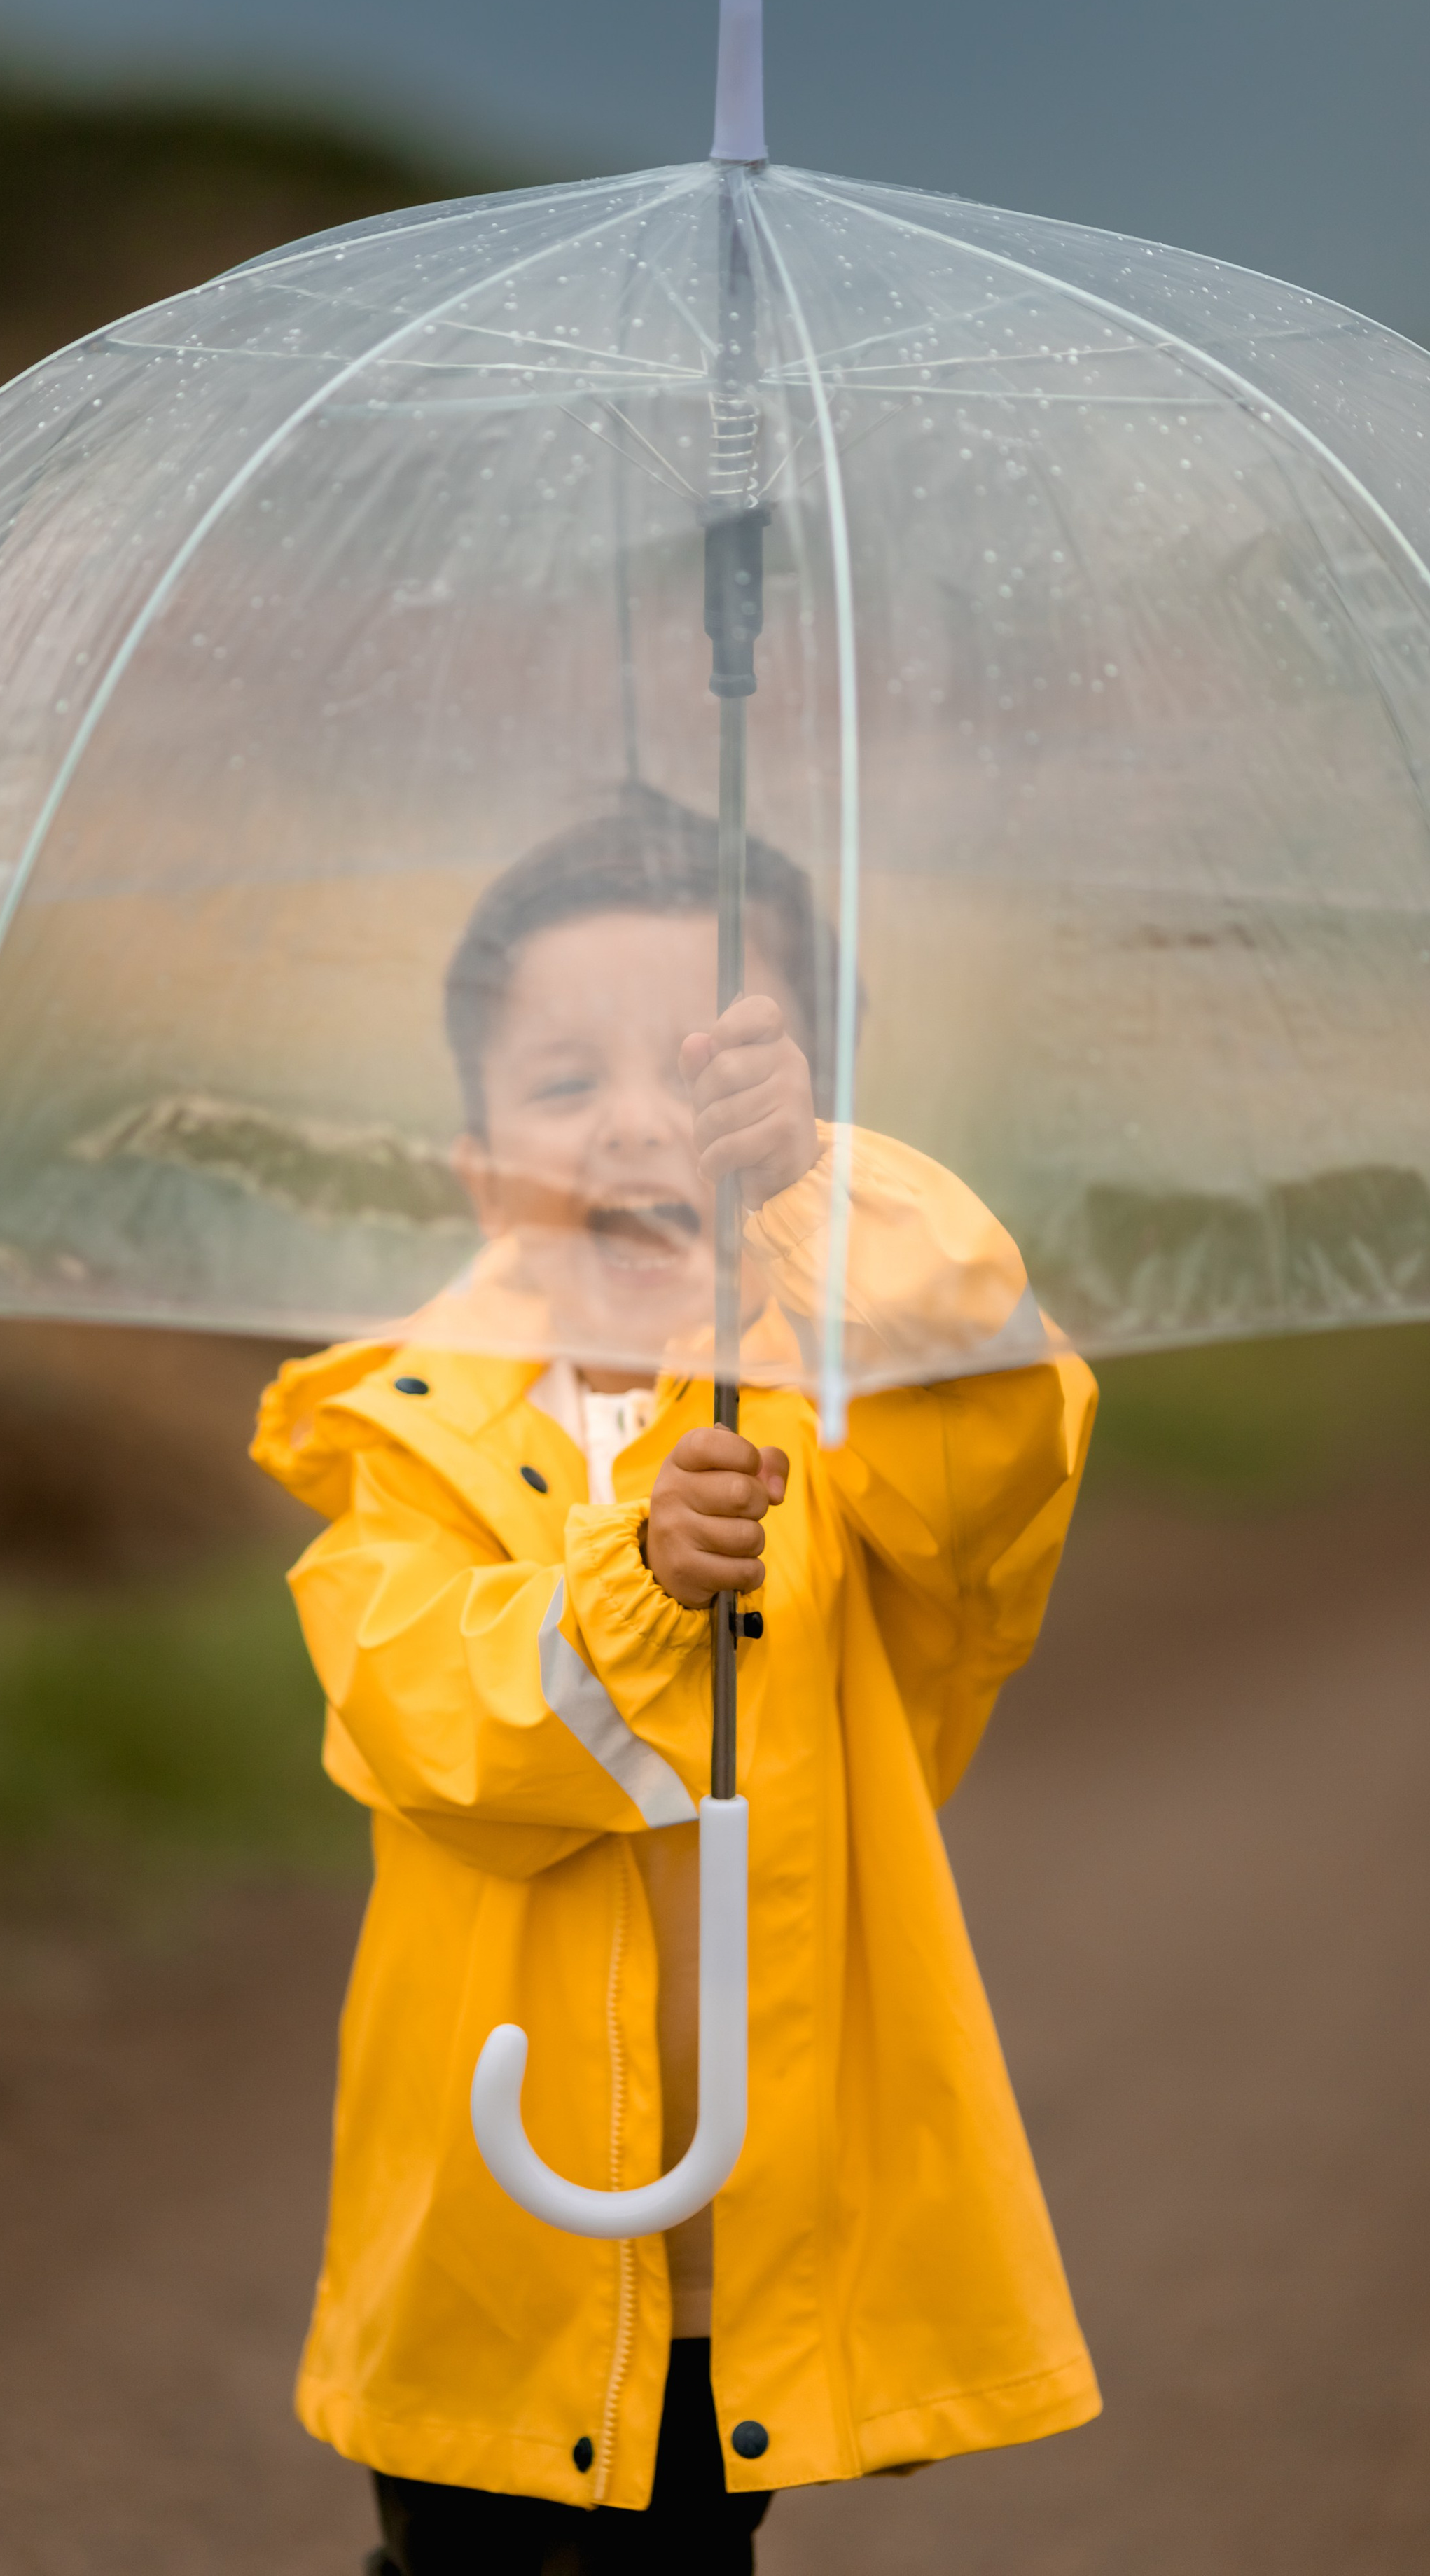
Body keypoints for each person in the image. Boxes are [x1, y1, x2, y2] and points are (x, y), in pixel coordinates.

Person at [251, 787, 1100, 2575]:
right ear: (482, 1165)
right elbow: (428, 1716)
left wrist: (825, 1208)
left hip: (744, 2212)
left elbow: (996, 1456)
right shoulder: (409, 1437)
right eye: (566, 1082)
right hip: (487, 2204)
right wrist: (635, 1578)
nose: (639, 1117)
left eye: (711, 1068)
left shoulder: (853, 1424)